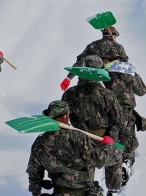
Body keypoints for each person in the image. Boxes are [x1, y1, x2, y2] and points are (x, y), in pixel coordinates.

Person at [61, 55, 128, 196]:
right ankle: (113, 189)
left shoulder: (70, 94)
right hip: (105, 143)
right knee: (116, 159)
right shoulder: (108, 94)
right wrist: (111, 135)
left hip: (79, 145)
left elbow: (63, 120)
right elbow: (121, 121)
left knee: (83, 173)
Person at [27, 100, 122, 196]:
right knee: (118, 155)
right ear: (66, 116)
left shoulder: (40, 142)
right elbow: (99, 160)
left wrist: (36, 193)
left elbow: (34, 172)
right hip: (84, 192)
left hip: (59, 192)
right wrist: (108, 145)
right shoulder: (79, 137)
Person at [102, 48, 146, 186]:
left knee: (113, 140)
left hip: (109, 113)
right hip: (127, 112)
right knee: (128, 140)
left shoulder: (102, 73)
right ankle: (126, 162)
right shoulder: (129, 71)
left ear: (106, 59)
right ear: (119, 58)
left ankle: (115, 163)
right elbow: (142, 91)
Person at [60, 26, 129, 91]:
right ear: (114, 35)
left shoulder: (92, 45)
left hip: (87, 81)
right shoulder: (119, 47)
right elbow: (127, 66)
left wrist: (68, 78)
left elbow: (80, 62)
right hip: (109, 85)